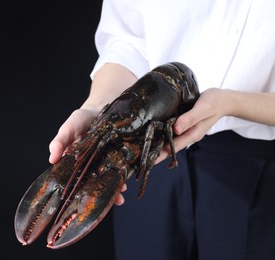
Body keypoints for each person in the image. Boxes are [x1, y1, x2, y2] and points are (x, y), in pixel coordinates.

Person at [49, 0, 275, 259]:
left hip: (256, 176)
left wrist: (230, 103)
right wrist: (96, 106)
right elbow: (127, 42)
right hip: (149, 165)